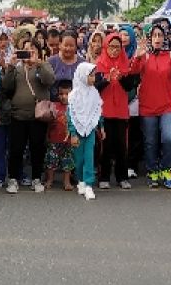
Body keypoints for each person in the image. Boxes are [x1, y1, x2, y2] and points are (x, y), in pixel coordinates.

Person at [131, 22, 171, 189]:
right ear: (149, 38)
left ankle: (166, 170)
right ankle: (152, 171)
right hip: (148, 106)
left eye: (160, 35)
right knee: (150, 141)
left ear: (165, 37)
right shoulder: (144, 56)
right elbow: (132, 71)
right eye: (154, 36)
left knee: (169, 138)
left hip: (169, 105)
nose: (157, 39)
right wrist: (138, 55)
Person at [0, 40, 55, 193]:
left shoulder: (44, 65)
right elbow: (6, 86)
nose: (28, 52)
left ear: (38, 51)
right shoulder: (17, 68)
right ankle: (13, 179)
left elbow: (49, 80)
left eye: (32, 49)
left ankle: (36, 178)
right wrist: (10, 66)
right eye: (25, 50)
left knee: (37, 148)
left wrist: (39, 63)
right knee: (16, 149)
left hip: (38, 116)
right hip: (18, 115)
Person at [93, 32, 134, 189]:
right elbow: (95, 88)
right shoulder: (99, 64)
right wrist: (106, 80)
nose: (115, 50)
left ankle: (122, 177)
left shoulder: (126, 64)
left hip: (121, 111)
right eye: (111, 47)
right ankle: (104, 177)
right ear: (106, 47)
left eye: (118, 47)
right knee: (106, 146)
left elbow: (130, 87)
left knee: (121, 146)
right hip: (105, 112)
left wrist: (122, 77)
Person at [67, 62, 103, 201]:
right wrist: (73, 133)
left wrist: (102, 126)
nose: (94, 79)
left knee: (89, 156)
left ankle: (89, 184)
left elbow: (98, 110)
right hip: (77, 130)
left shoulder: (94, 92)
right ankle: (80, 181)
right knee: (79, 158)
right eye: (91, 75)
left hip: (90, 130)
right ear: (82, 76)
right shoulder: (74, 94)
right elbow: (70, 115)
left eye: (94, 75)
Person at [43, 80, 74, 190]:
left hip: (69, 141)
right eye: (61, 94)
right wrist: (47, 136)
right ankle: (49, 180)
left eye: (67, 94)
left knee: (68, 162)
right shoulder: (53, 106)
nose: (64, 97)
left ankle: (66, 182)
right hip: (54, 140)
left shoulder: (75, 107)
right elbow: (48, 124)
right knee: (51, 161)